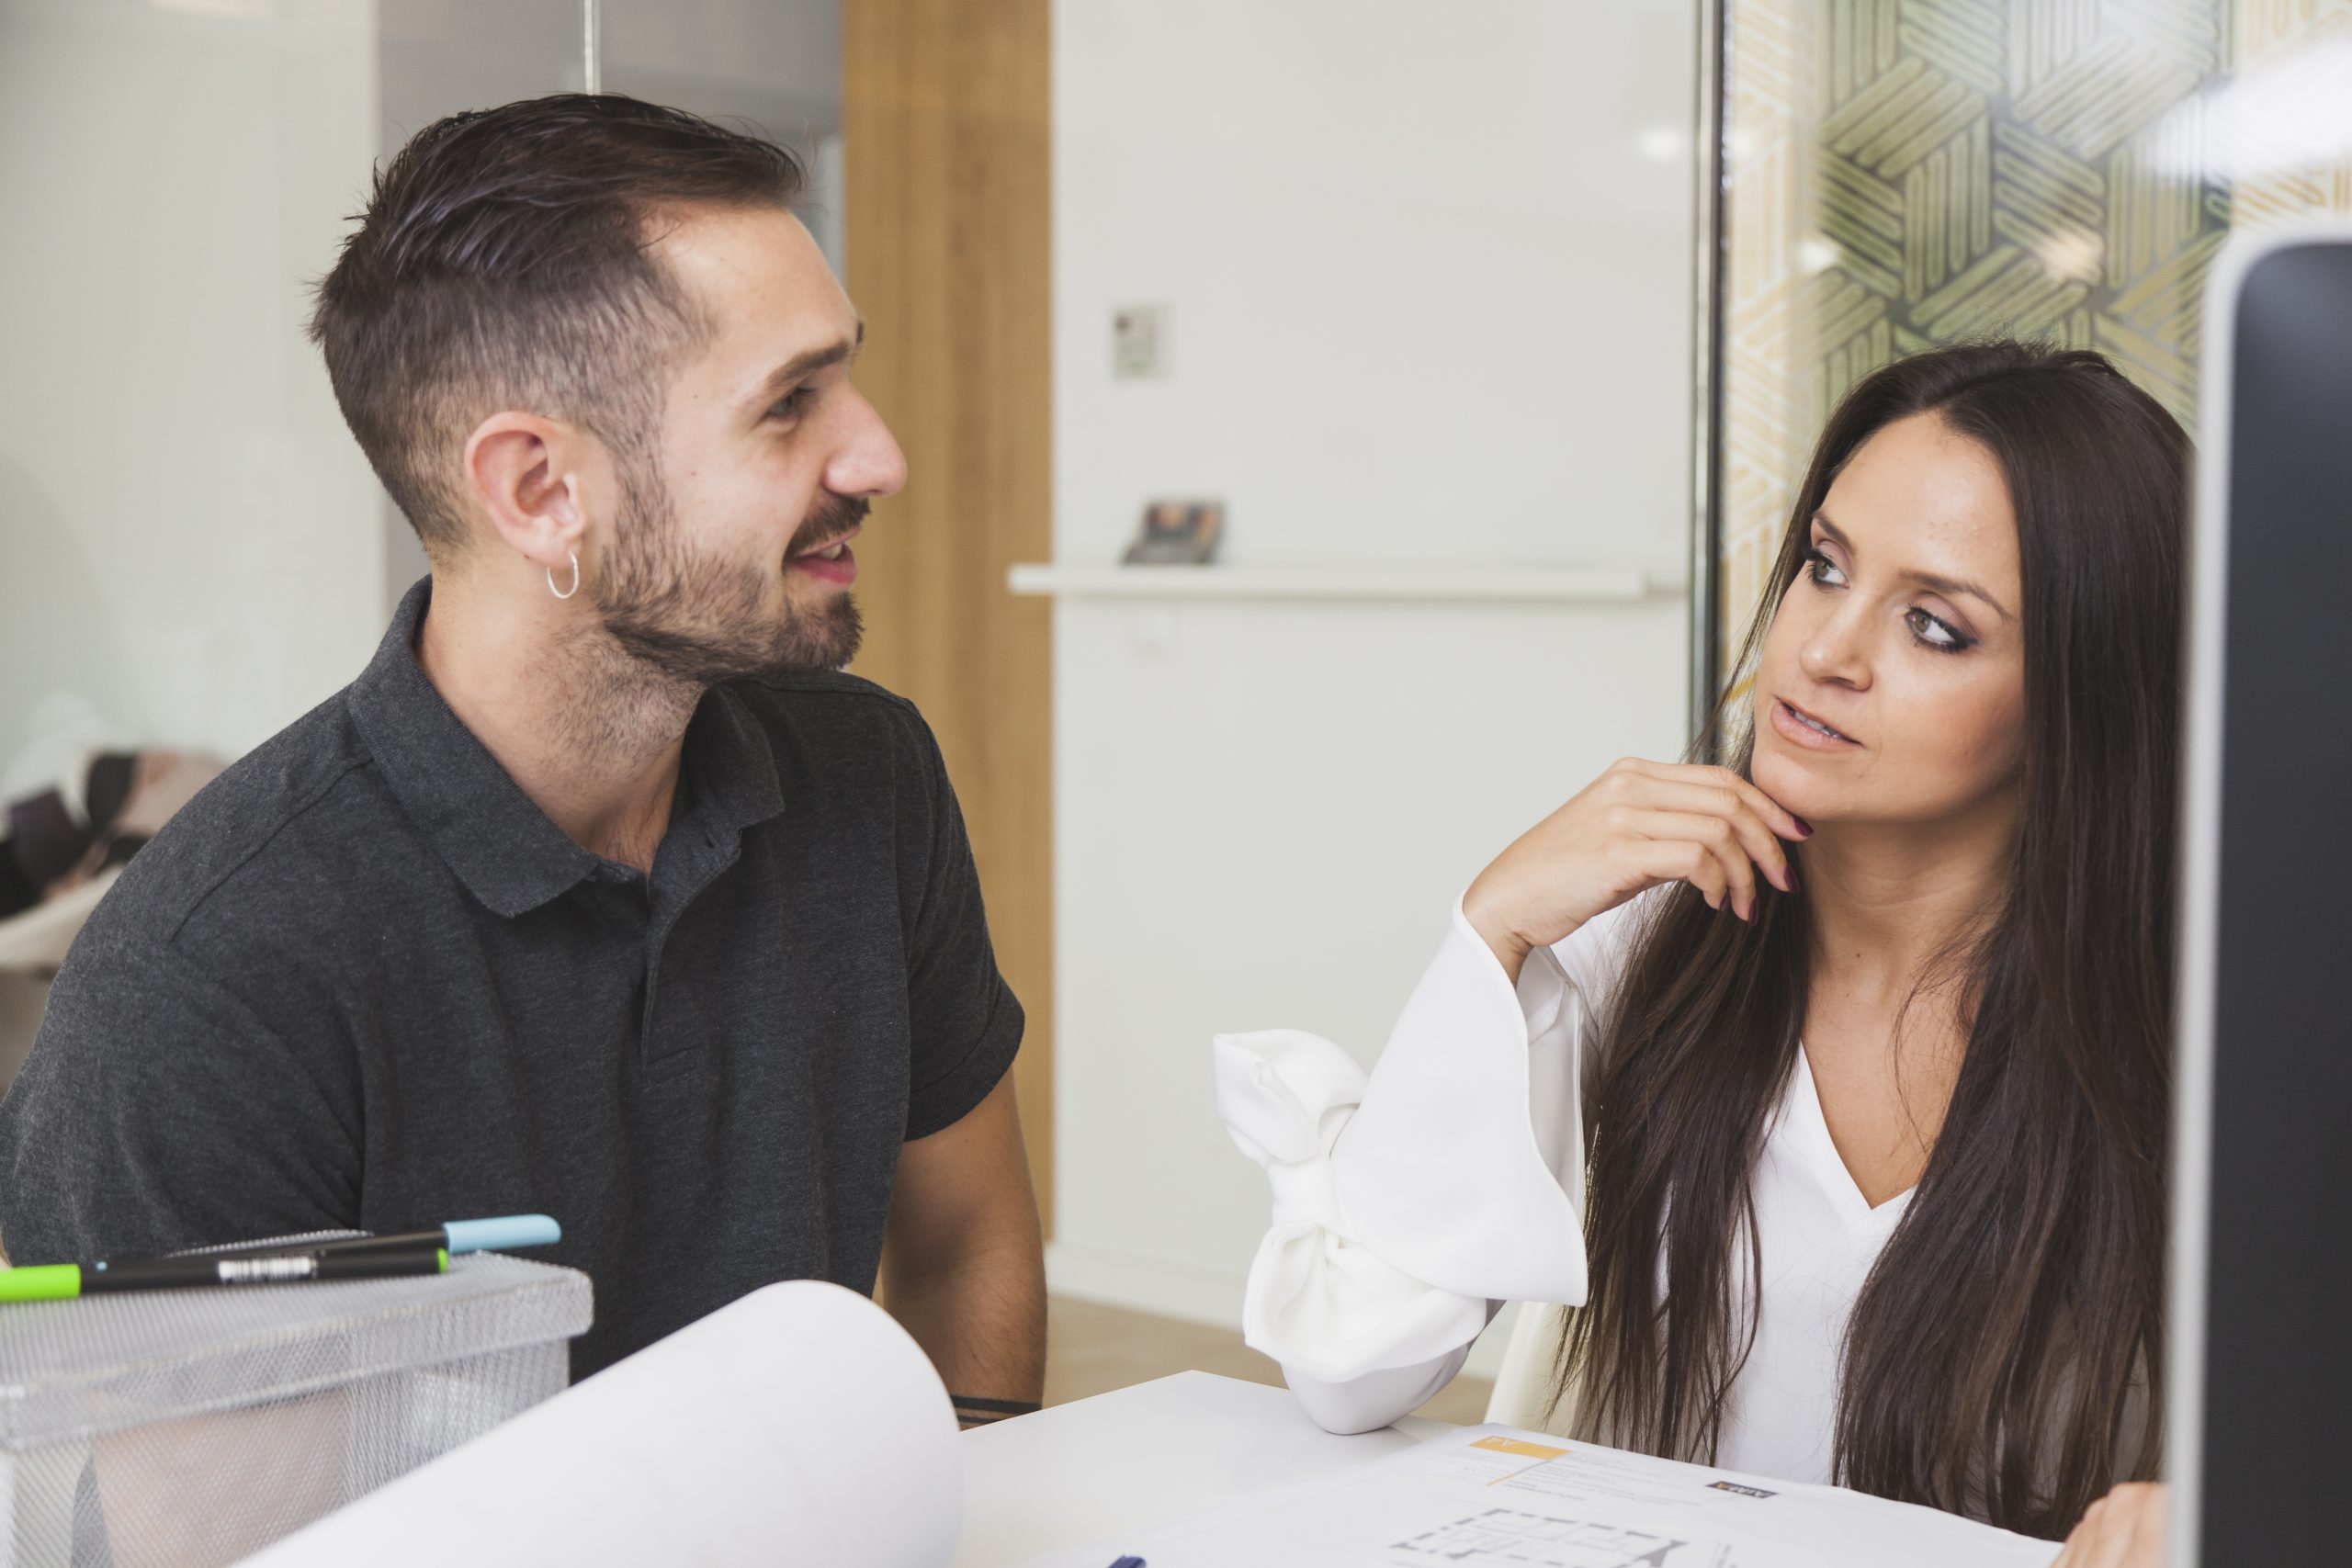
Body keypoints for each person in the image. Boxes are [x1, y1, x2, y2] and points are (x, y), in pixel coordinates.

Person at [0, 95, 1045, 1419]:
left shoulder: (868, 775)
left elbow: (967, 1249)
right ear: (541, 491)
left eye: (845, 373)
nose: (880, 452)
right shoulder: (206, 983)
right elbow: (213, 1536)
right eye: (790, 405)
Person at [1216, 342, 2183, 1561]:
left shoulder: (2182, 1026)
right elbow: (1345, 1377)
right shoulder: (1644, 943)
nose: (1826, 650)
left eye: (1935, 626)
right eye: (1824, 568)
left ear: (2088, 699)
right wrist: (1495, 926)